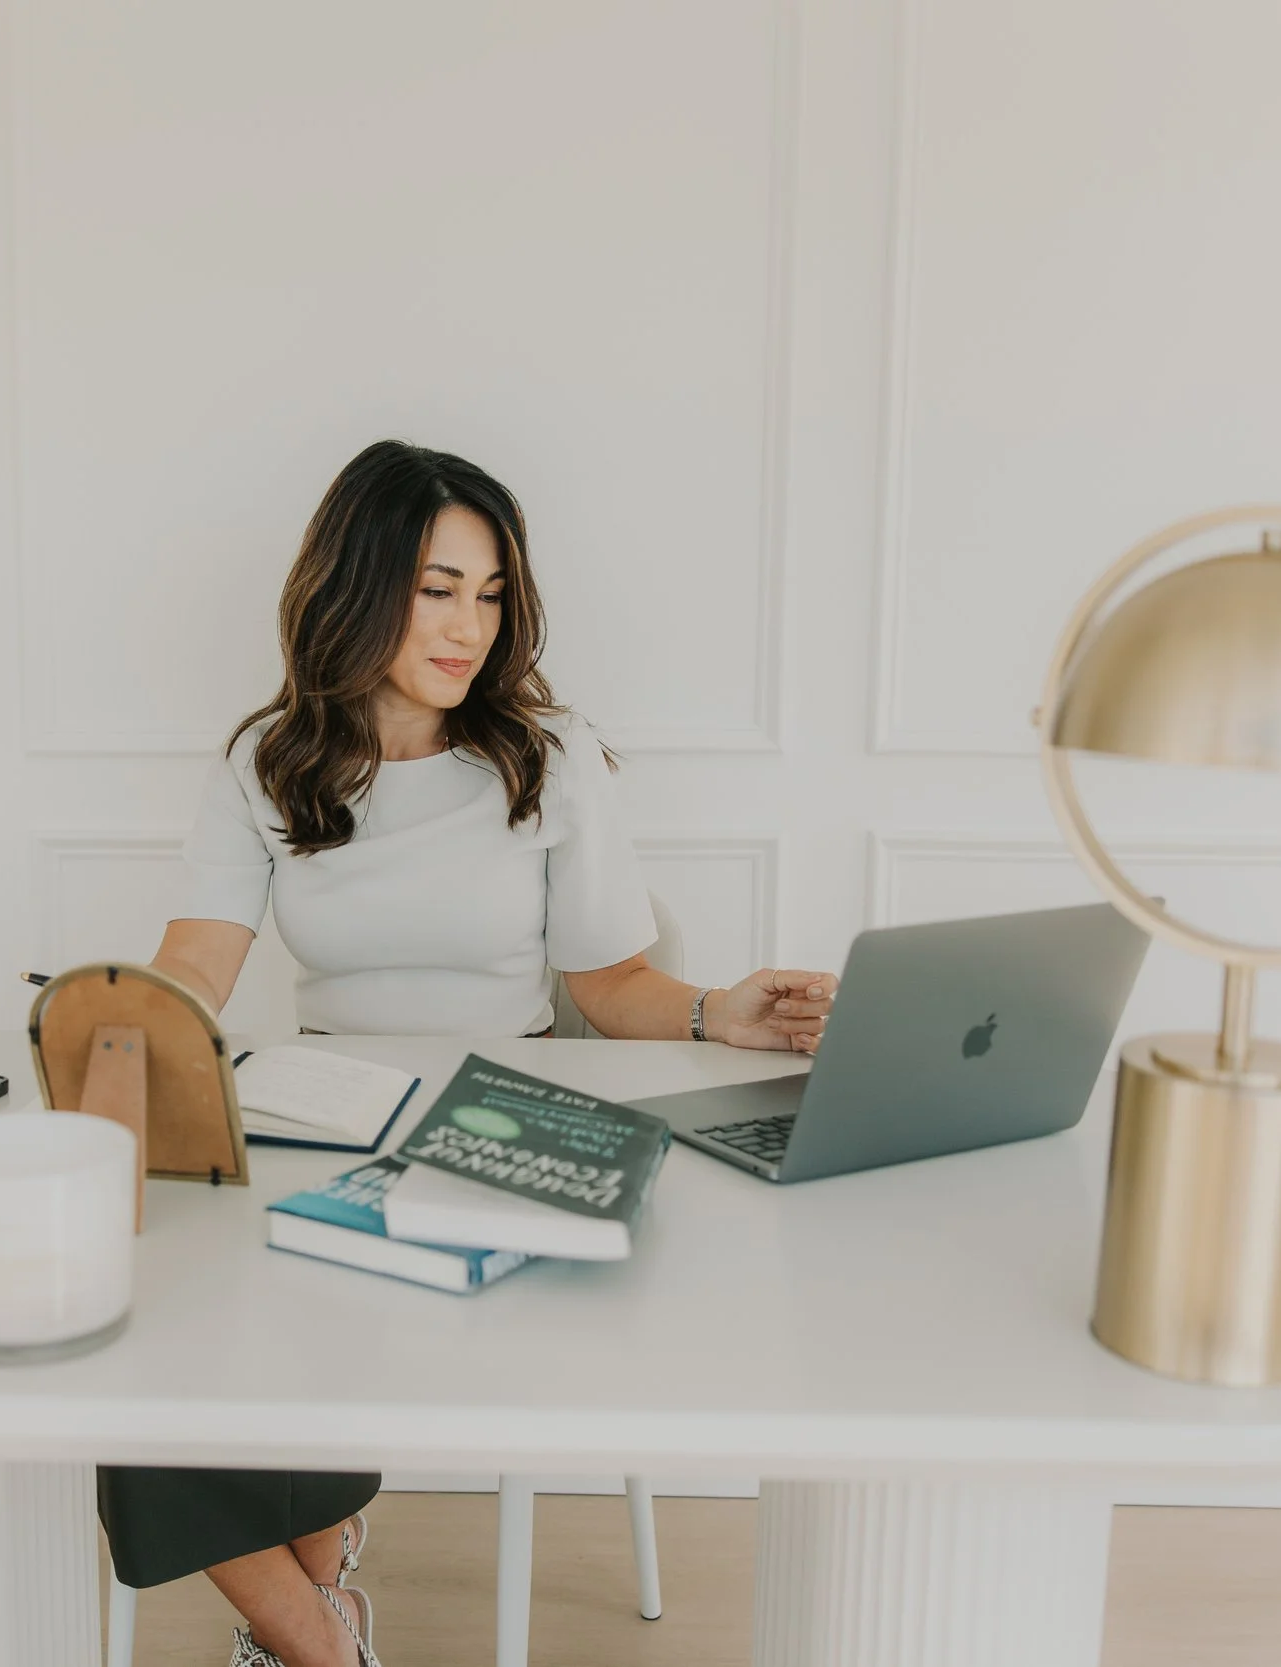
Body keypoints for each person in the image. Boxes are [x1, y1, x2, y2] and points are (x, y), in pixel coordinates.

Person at [103, 439, 841, 1667]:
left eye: (490, 594)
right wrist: (120, 1024)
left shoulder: (545, 757)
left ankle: (301, 1632)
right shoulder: (265, 762)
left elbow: (609, 986)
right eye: (437, 587)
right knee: (146, 1326)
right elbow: (196, 966)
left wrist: (723, 1012)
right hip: (329, 1107)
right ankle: (323, 1634)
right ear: (356, 583)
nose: (470, 626)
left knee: (316, 1301)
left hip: (511, 1108)